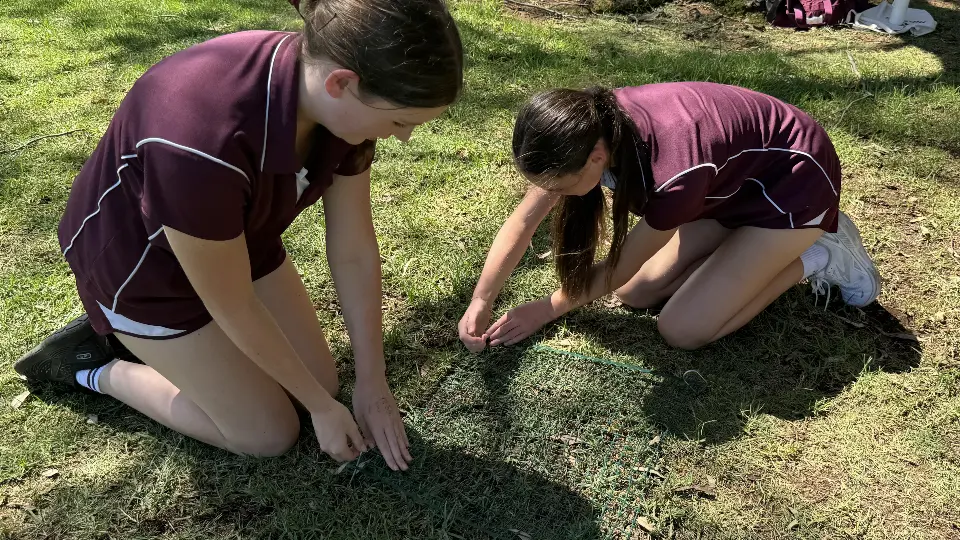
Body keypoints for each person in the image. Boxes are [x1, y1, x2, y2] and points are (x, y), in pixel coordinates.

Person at [15, 0, 463, 471]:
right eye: (400, 122)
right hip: (144, 277)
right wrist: (320, 410)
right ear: (342, 83)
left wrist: (373, 380)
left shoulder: (339, 101)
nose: (404, 138)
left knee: (320, 382)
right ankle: (93, 364)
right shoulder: (200, 141)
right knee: (268, 433)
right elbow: (230, 302)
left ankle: (179, 354)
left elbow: (352, 249)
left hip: (238, 245)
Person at [459, 82, 881, 352]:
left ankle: (822, 252)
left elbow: (621, 266)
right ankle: (743, 248)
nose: (552, 195)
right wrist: (481, 300)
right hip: (729, 187)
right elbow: (523, 221)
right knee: (635, 295)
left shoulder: (672, 174)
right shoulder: (585, 129)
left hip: (794, 188)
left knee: (682, 328)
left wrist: (544, 309)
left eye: (558, 186)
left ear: (597, 159)